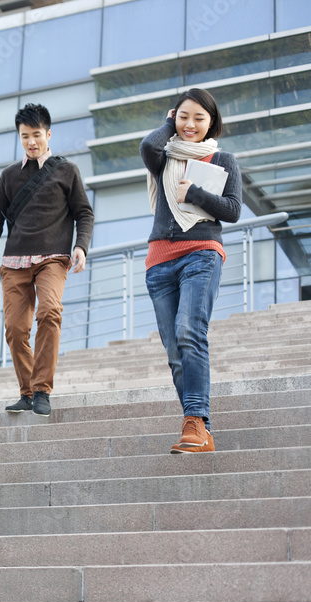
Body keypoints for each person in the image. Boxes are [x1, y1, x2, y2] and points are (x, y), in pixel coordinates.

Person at [0, 103, 94, 417]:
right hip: (14, 261)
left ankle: (41, 389)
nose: (31, 142)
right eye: (25, 136)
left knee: (50, 311)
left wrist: (81, 246)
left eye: (36, 135)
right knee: (15, 329)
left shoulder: (67, 171)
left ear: (48, 134)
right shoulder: (9, 176)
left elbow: (84, 212)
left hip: (53, 258)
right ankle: (27, 391)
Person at [140, 88, 241, 453]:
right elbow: (147, 147)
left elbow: (231, 210)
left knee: (188, 330)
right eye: (183, 116)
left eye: (199, 117)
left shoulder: (223, 159)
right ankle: (200, 428)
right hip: (160, 262)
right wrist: (168, 122)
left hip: (201, 253)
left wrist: (195, 192)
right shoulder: (163, 159)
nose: (190, 124)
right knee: (173, 352)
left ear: (212, 122)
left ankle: (195, 421)